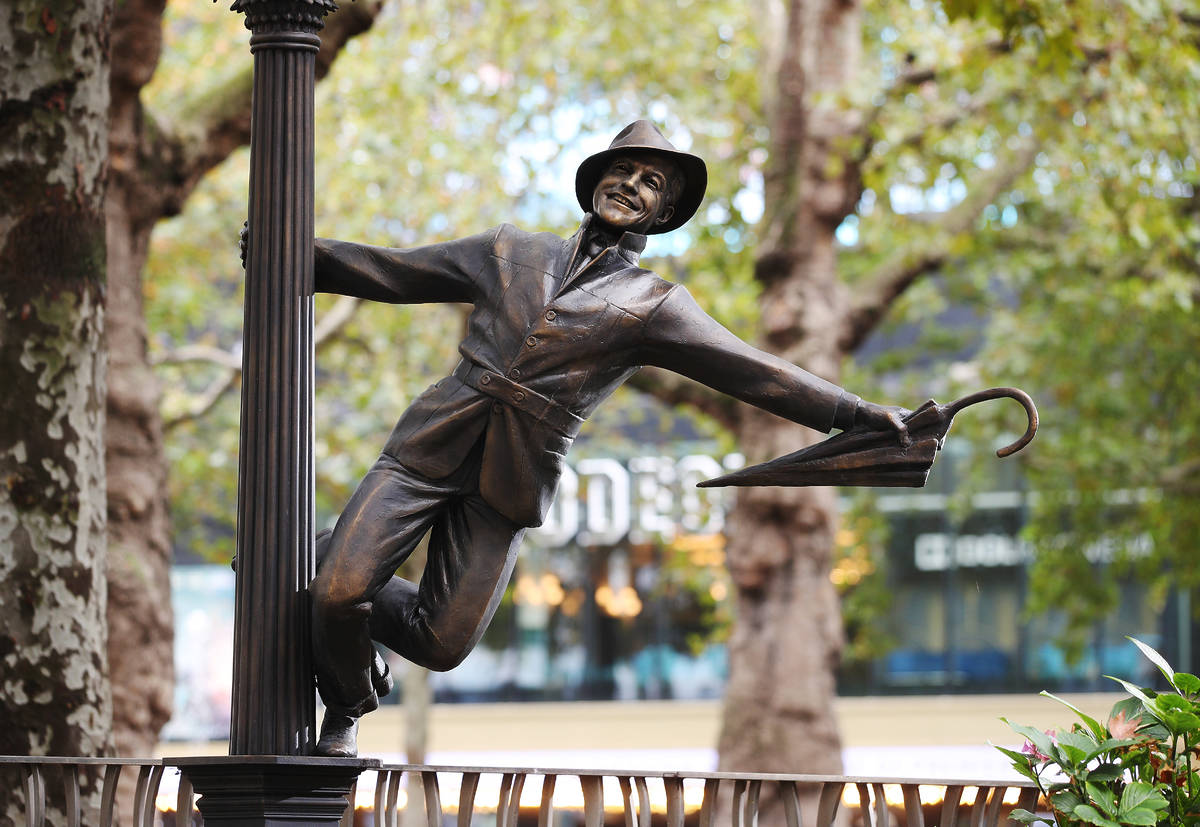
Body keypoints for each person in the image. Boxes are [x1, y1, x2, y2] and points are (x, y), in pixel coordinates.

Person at [304, 120, 909, 756]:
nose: (630, 185)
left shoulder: (656, 304)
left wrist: (858, 411)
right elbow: (397, 272)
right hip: (429, 446)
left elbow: (756, 371)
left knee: (440, 644)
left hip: (509, 479)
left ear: (664, 211)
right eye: (622, 170)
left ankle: (332, 551)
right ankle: (346, 703)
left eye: (652, 183)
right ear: (595, 180)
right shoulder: (510, 249)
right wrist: (300, 254)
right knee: (338, 596)